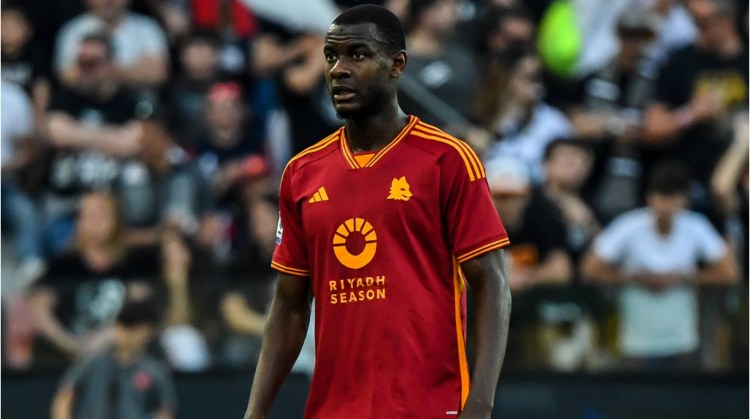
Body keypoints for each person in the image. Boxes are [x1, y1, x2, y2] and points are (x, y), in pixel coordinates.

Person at [244, 5, 511, 419]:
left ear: (397, 65)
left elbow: (492, 282)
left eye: (358, 55)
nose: (339, 69)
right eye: (331, 56)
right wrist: (255, 412)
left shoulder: (448, 159)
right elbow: (290, 306)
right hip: (333, 410)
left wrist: (480, 403)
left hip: (427, 407)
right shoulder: (301, 173)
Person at [581, 160, 738, 370]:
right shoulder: (628, 225)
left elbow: (728, 272)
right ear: (649, 197)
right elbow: (590, 269)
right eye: (660, 197)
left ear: (684, 200)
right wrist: (636, 278)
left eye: (672, 198)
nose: (665, 205)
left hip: (682, 335)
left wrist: (682, 278)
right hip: (635, 337)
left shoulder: (696, 226)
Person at [50, 297, 177, 419]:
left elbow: (165, 410)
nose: (124, 335)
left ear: (146, 331)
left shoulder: (155, 370)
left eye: (133, 329)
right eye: (122, 327)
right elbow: (64, 397)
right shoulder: (93, 361)